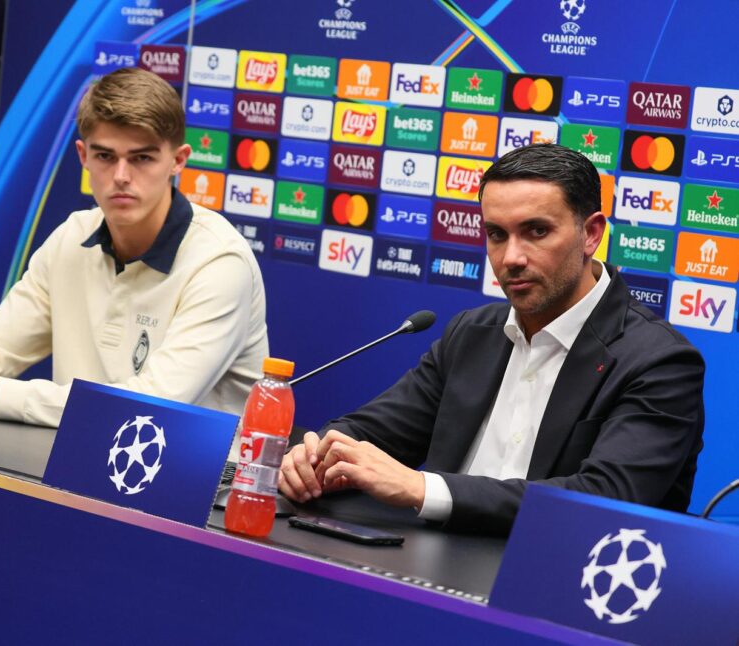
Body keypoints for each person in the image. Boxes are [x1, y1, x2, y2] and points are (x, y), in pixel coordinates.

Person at [279, 143, 704, 535]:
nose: (511, 258)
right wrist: (319, 454)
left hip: (558, 578)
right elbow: (375, 432)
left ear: (590, 234)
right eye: (497, 234)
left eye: (537, 231)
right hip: (430, 567)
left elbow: (603, 499)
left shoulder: (658, 361)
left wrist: (423, 489)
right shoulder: (472, 333)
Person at [0, 67, 269, 427]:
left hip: (194, 464)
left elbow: (154, 404)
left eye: (142, 158)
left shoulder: (219, 262)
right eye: (105, 156)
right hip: (75, 454)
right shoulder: (72, 236)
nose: (121, 176)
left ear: (178, 160)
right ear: (83, 156)